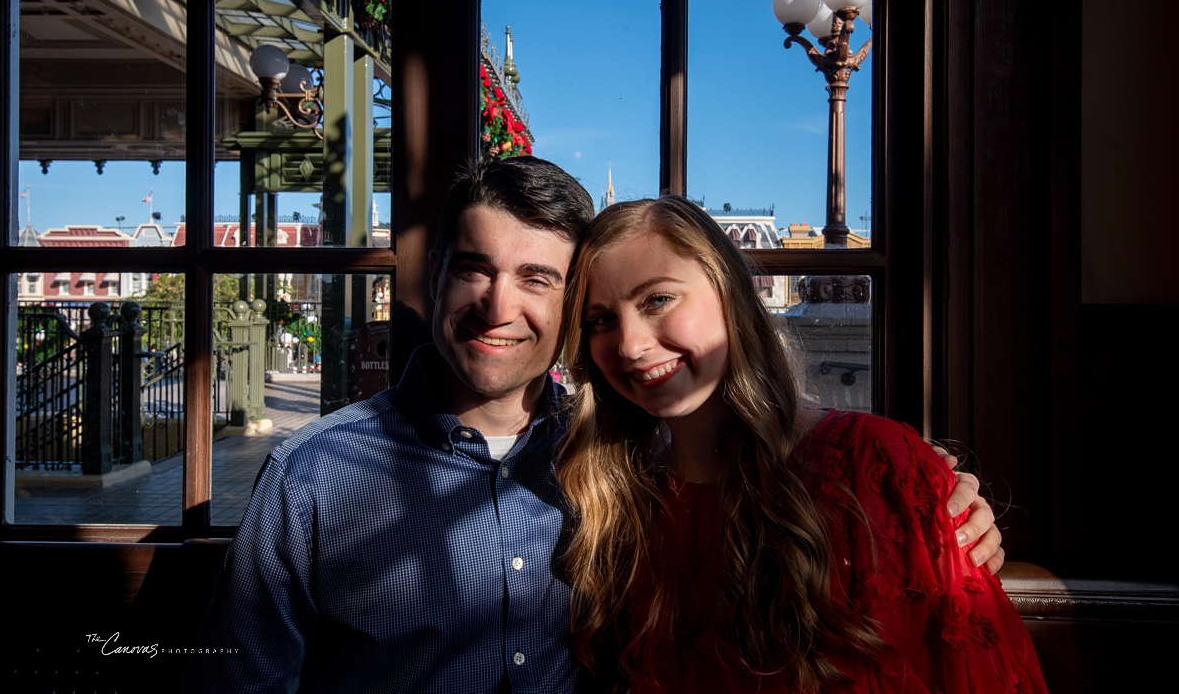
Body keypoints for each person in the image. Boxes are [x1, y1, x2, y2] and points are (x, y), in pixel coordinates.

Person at [188, 158, 1004, 693]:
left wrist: (926, 497)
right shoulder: (316, 474)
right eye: (475, 268)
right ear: (434, 279)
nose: (500, 306)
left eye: (538, 278)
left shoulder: (613, 466)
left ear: (565, 307)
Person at [556, 195, 1046, 693]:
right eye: (600, 320)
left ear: (731, 295)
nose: (629, 345)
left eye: (657, 300)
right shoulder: (615, 507)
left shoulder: (871, 468)